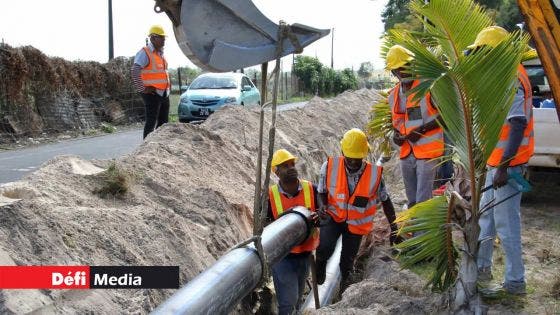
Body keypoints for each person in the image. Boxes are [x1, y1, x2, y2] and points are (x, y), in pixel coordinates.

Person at [467, 26, 534, 295]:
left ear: (496, 53)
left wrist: (504, 166)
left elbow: (516, 124)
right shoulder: (505, 75)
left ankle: (515, 282)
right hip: (497, 163)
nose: (480, 59)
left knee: (507, 227)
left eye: (484, 53)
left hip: (508, 165)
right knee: (487, 220)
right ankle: (482, 267)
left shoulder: (512, 78)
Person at [315, 128, 402, 292]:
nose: (354, 163)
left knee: (347, 260)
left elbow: (386, 201)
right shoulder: (329, 166)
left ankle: (345, 290)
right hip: (333, 217)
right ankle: (320, 264)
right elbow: (321, 191)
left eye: (358, 159)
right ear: (342, 151)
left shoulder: (374, 175)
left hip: (355, 225)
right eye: (350, 158)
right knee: (325, 247)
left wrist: (394, 228)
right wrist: (322, 205)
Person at [385, 45, 445, 209]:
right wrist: (396, 135)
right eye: (400, 68)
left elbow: (446, 117)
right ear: (393, 72)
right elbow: (397, 123)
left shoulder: (428, 87)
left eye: (407, 66)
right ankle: (416, 232)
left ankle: (423, 232)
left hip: (428, 153)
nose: (404, 71)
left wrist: (422, 130)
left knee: (423, 200)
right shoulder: (393, 96)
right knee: (412, 201)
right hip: (406, 153)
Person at [266, 149, 319, 315]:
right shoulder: (270, 196)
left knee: (296, 301)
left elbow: (326, 213)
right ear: (276, 172)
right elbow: (265, 225)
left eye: (292, 164)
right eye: (285, 166)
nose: (291, 168)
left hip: (305, 254)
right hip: (283, 257)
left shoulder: (311, 189)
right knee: (288, 304)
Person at [131, 25, 171, 139]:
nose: (164, 40)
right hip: (152, 93)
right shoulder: (145, 52)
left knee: (164, 122)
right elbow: (135, 70)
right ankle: (146, 148)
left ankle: (159, 145)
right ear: (153, 38)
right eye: (161, 37)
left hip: (163, 93)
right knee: (151, 122)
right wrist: (142, 88)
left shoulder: (160, 53)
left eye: (164, 38)